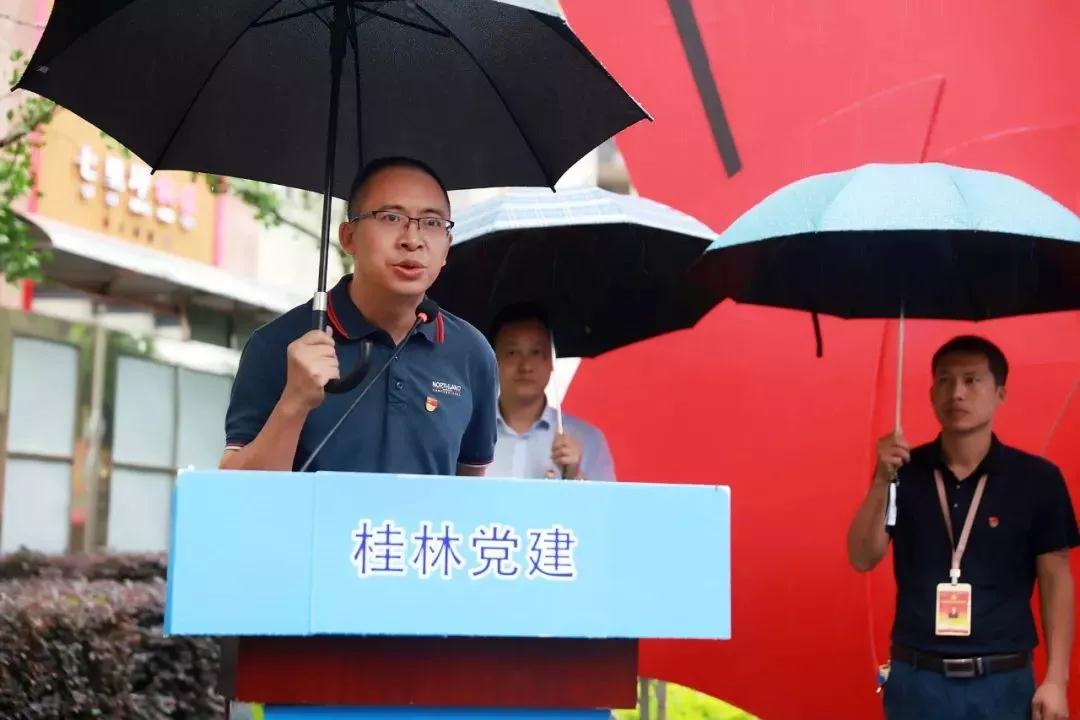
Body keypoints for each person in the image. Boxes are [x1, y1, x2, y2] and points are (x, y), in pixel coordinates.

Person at [846, 335, 1078, 720]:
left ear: (1000, 393)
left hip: (1003, 681)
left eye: (972, 380)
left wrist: (1056, 679)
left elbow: (1056, 580)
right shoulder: (902, 472)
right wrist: (881, 481)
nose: (956, 393)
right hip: (917, 679)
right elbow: (861, 556)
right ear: (931, 393)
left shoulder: (1038, 479)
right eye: (944, 380)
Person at [220, 157, 498, 476]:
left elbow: (469, 489)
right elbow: (234, 491)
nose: (412, 239)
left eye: (432, 222)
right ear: (349, 237)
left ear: (447, 246)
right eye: (391, 217)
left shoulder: (472, 353)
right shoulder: (278, 344)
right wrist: (293, 403)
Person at [487, 303, 615, 482]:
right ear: (492, 360)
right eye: (512, 352)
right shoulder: (469, 435)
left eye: (536, 352)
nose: (526, 366)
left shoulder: (587, 439)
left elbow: (607, 500)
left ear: (551, 361)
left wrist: (573, 475)